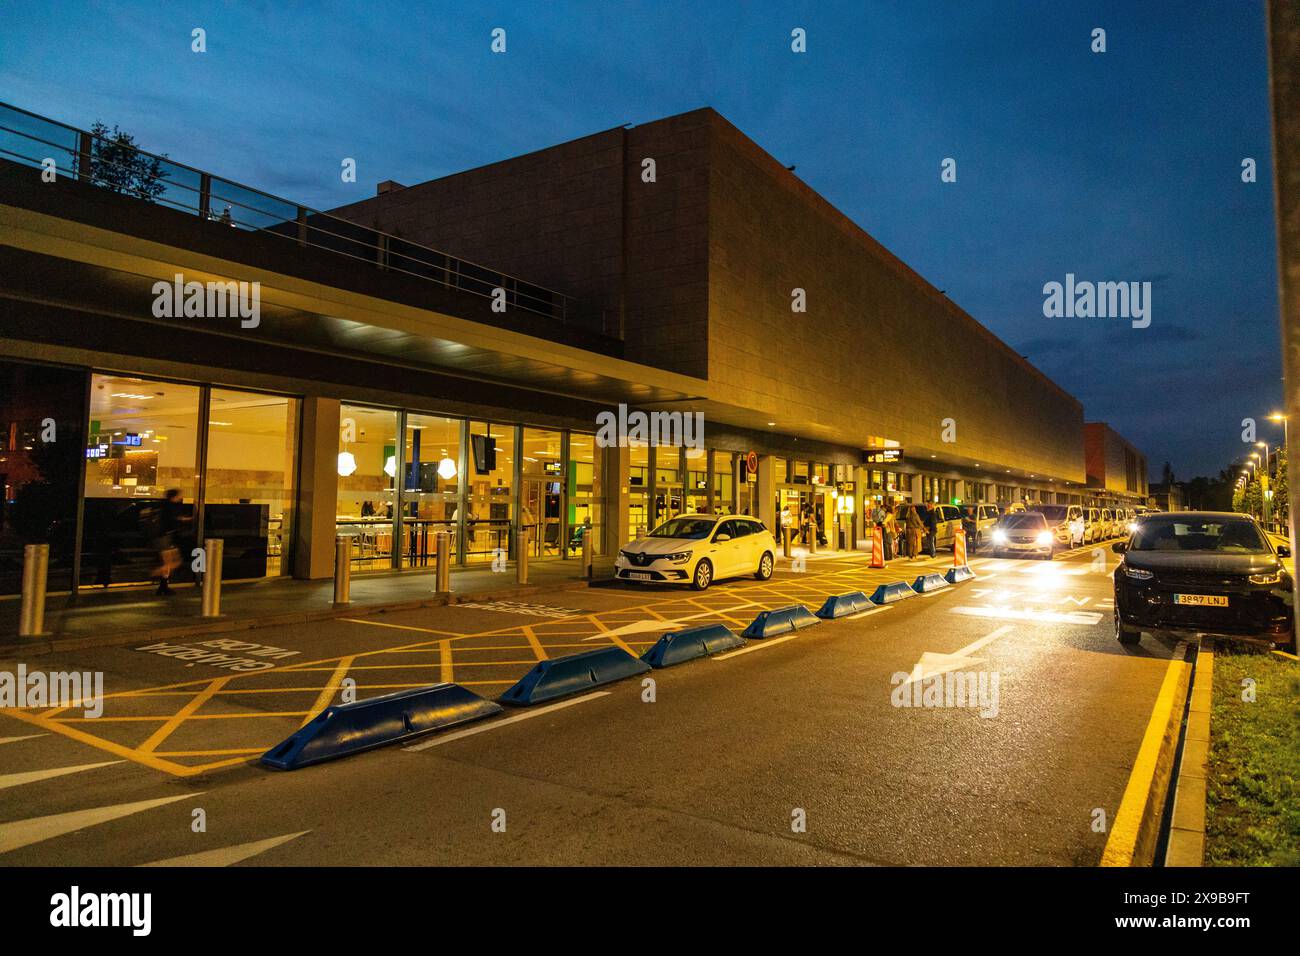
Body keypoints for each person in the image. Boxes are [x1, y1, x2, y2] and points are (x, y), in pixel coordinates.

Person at [151, 488, 189, 595]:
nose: (180, 497)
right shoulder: (170, 507)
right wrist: (185, 519)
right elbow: (174, 520)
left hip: (163, 537)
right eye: (179, 495)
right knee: (172, 563)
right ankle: (154, 574)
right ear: (174, 497)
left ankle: (163, 586)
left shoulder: (163, 506)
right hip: (165, 538)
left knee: (172, 562)